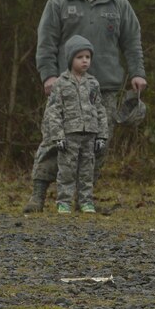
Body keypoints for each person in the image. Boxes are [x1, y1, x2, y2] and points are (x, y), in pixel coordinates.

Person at [24, 0, 147, 213]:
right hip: (65, 87)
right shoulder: (59, 1)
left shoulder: (117, 1)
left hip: (104, 88)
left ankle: (84, 199)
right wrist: (49, 76)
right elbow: (46, 43)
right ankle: (38, 195)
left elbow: (132, 41)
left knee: (97, 145)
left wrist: (137, 73)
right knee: (54, 140)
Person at [42, 36, 109, 214]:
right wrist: (57, 135)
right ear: (71, 59)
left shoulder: (93, 83)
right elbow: (54, 111)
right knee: (66, 170)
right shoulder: (61, 83)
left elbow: (100, 109)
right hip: (69, 134)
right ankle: (63, 202)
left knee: (87, 170)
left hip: (90, 133)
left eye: (87, 57)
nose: (85, 60)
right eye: (80, 57)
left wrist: (102, 135)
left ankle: (85, 202)